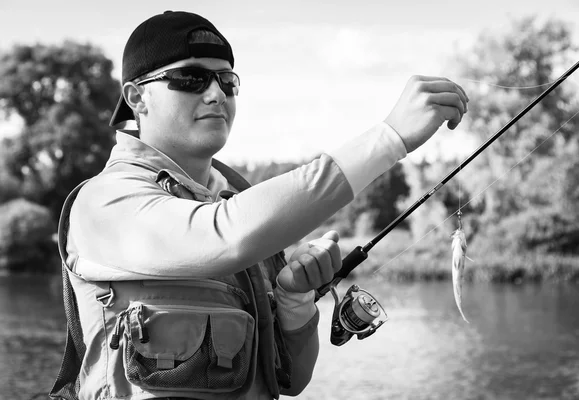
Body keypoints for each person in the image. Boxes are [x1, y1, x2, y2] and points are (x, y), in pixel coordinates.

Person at [50, 10, 468, 400]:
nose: (216, 94)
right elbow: (225, 234)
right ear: (136, 98)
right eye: (191, 79)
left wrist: (293, 299)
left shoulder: (235, 202)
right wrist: (390, 139)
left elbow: (291, 379)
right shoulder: (107, 203)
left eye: (226, 80)